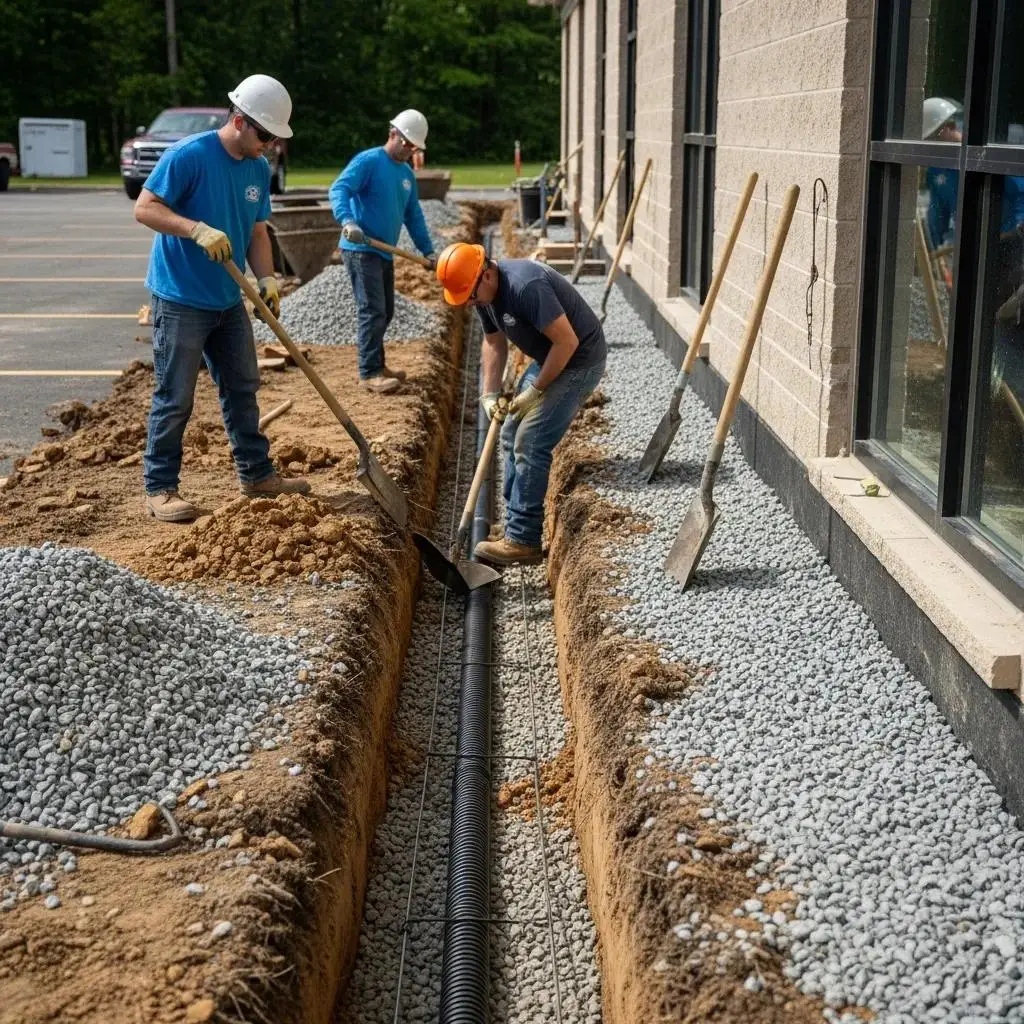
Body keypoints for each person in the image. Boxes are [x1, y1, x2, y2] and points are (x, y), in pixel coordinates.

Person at [134, 74, 310, 523]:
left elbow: (256, 231)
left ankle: (256, 474)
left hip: (228, 299)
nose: (270, 145)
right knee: (175, 396)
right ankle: (160, 487)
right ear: (238, 121)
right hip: (180, 297)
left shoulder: (256, 168)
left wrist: (267, 280)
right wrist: (194, 228)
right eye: (266, 134)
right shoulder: (189, 156)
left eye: (274, 137)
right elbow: (145, 207)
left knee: (242, 387)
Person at [436, 243, 607, 565]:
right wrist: (489, 394)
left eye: (470, 296)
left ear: (487, 274)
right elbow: (493, 342)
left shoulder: (525, 286)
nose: (470, 303)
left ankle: (523, 539)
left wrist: (536, 390)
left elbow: (567, 342)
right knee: (509, 431)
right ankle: (516, 518)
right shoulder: (483, 291)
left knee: (530, 441)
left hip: (578, 361)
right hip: (549, 357)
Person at [329, 110, 436, 394]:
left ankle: (378, 363)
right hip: (361, 248)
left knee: (385, 311)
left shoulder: (406, 175)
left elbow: (414, 215)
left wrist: (428, 251)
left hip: (384, 252)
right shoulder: (369, 161)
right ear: (394, 134)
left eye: (415, 147)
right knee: (372, 310)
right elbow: (339, 189)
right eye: (408, 145)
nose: (411, 151)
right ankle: (369, 372)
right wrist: (348, 221)